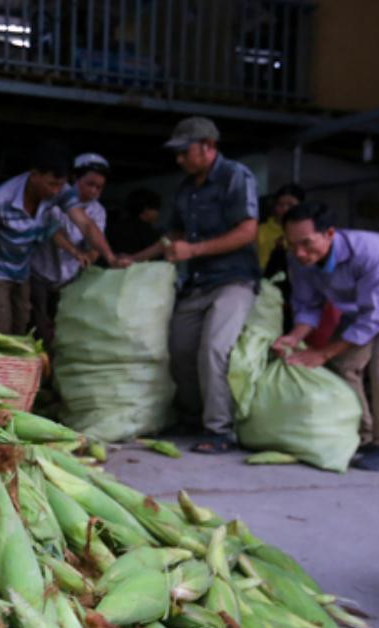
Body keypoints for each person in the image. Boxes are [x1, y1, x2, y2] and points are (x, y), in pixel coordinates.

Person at [125, 116, 260, 453]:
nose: (179, 159)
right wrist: (137, 258)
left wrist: (194, 250)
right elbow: (174, 235)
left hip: (234, 280)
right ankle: (192, 416)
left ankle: (219, 429)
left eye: (184, 152)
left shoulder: (235, 177)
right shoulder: (185, 188)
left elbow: (248, 230)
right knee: (179, 347)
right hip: (198, 282)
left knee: (213, 348)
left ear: (209, 147)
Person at [273, 202, 379, 471]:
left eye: (306, 243)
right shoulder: (298, 257)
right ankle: (363, 436)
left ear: (329, 233)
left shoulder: (370, 253)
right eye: (292, 245)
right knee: (344, 365)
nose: (300, 252)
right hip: (364, 308)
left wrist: (323, 351)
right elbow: (308, 305)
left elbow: (373, 319)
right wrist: (293, 337)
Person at [0, 140, 121, 335]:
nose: (56, 190)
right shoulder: (1, 199)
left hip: (21, 270)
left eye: (61, 184)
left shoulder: (60, 192)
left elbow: (85, 224)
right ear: (34, 175)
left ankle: (17, 365)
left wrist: (110, 257)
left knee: (21, 325)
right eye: (52, 184)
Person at [29, 152, 111, 343]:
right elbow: (55, 232)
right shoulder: (54, 197)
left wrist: (90, 256)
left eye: (99, 187)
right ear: (75, 178)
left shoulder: (98, 211)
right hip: (40, 273)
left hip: (68, 278)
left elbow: (95, 241)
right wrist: (76, 252)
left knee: (64, 327)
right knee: (39, 327)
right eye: (89, 184)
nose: (93, 192)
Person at [259, 183, 305, 274]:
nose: (285, 209)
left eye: (290, 205)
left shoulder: (306, 230)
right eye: (280, 204)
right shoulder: (259, 230)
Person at [105, 187, 162, 258]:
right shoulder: (149, 232)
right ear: (146, 209)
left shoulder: (113, 227)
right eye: (156, 209)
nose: (158, 213)